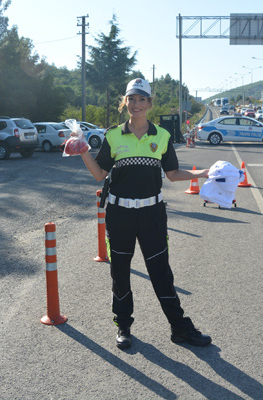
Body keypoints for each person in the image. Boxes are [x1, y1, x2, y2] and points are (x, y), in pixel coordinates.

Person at [78, 78, 212, 350]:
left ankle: (180, 329)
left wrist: (202, 173)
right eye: (132, 99)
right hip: (120, 215)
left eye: (142, 99)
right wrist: (81, 150)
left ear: (149, 104)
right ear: (125, 103)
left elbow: (173, 174)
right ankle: (124, 326)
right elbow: (99, 174)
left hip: (152, 214)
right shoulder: (113, 135)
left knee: (161, 272)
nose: (136, 104)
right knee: (120, 272)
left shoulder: (161, 136)